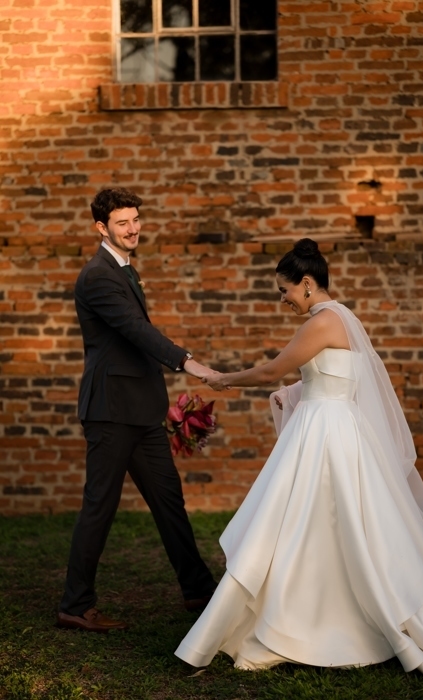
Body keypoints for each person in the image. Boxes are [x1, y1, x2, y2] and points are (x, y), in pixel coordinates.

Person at [175, 238, 423, 676]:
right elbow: (337, 378)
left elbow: (272, 369)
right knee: (319, 523)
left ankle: (316, 619)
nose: (283, 299)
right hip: (335, 427)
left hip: (325, 433)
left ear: (307, 283)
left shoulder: (323, 320)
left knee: (301, 520)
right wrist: (294, 393)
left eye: (285, 290)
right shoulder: (341, 318)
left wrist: (222, 379)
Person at [57, 187, 217, 633]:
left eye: (136, 220)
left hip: (141, 411)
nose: (133, 229)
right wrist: (189, 363)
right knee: (100, 507)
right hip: (111, 411)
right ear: (101, 228)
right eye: (122, 223)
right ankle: (76, 604)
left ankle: (199, 588)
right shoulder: (97, 276)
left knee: (169, 500)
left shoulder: (125, 269)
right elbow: (135, 331)